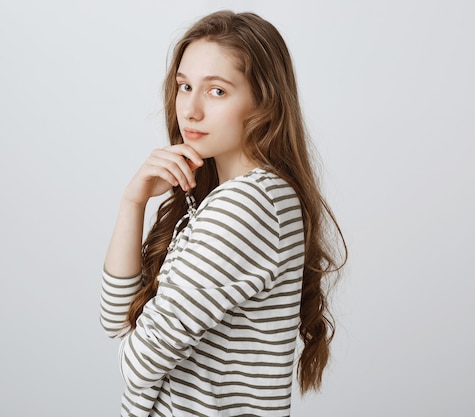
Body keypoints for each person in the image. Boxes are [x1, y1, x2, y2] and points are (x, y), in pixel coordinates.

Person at [99, 10, 346, 417]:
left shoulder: (248, 205)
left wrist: (142, 337)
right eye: (184, 86)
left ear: (264, 101)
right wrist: (133, 203)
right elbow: (116, 318)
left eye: (216, 91)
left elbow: (136, 363)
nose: (190, 110)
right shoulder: (223, 198)